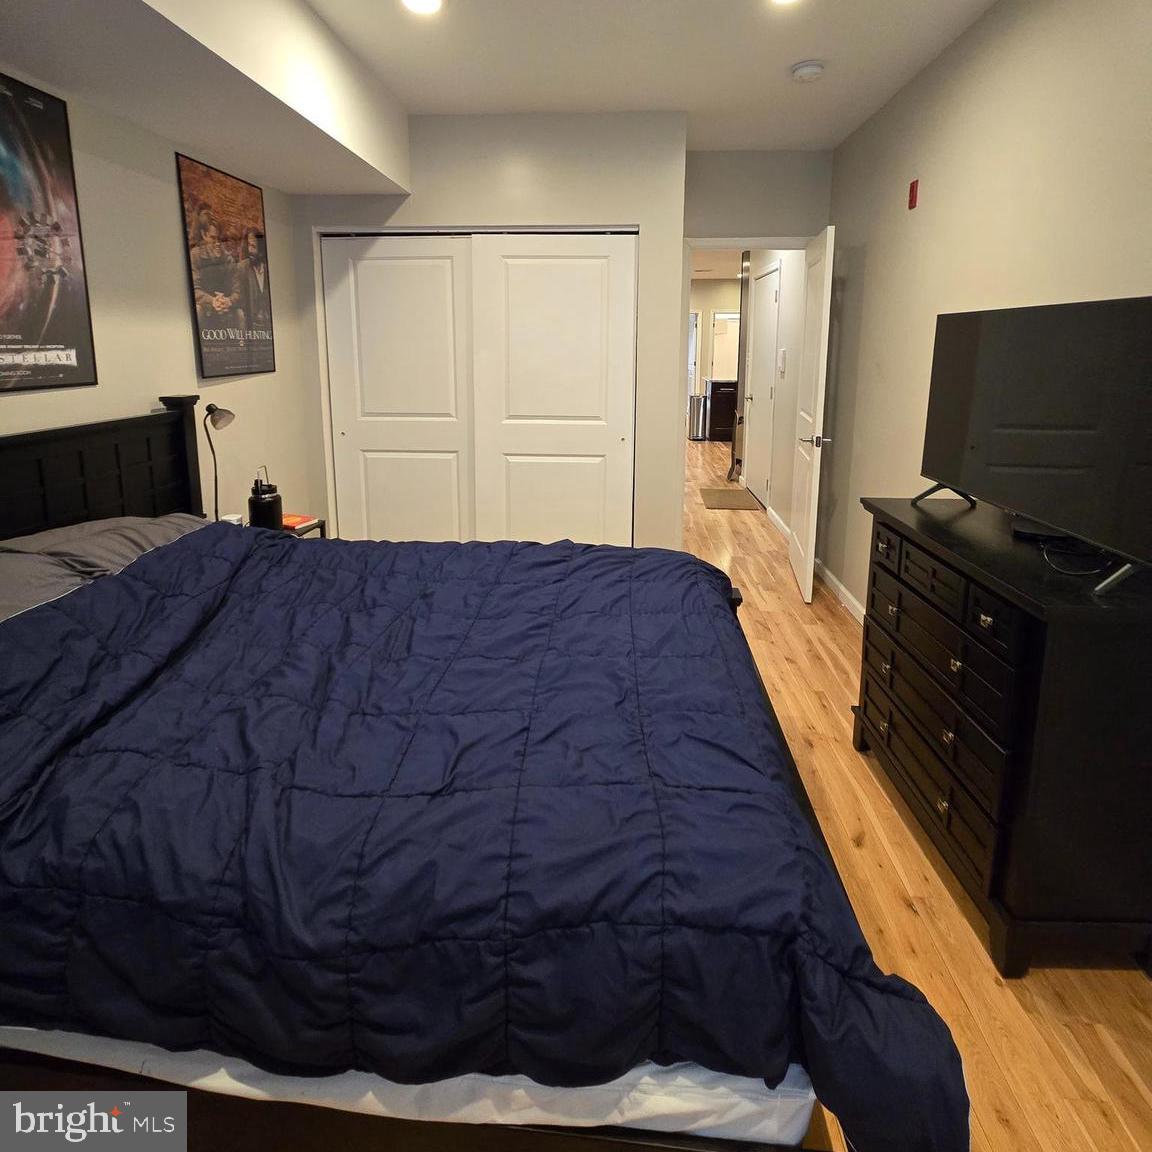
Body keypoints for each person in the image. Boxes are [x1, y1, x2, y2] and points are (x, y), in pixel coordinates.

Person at [190, 222, 242, 327]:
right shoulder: (195, 256)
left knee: (240, 315)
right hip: (205, 307)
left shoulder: (229, 260)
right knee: (198, 310)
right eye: (213, 238)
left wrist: (229, 301)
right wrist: (212, 301)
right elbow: (194, 289)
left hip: (225, 308)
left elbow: (238, 291)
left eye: (220, 240)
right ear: (204, 235)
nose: (218, 243)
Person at [237, 228, 271, 331]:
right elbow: (240, 300)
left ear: (261, 250)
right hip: (252, 327)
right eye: (249, 245)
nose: (250, 250)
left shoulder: (268, 268)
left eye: (253, 246)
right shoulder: (242, 268)